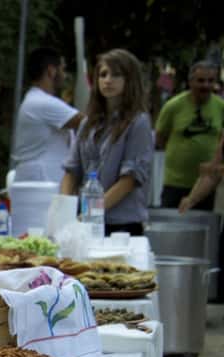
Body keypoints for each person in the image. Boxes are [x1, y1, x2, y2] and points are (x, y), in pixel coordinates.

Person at [60, 49, 154, 236]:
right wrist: (63, 211)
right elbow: (72, 170)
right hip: (85, 219)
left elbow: (130, 179)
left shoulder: (139, 122)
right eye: (103, 75)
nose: (108, 80)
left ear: (130, 79)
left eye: (116, 75)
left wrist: (93, 211)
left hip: (121, 224)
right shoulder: (89, 122)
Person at [156, 60, 224, 210]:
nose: (205, 85)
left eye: (210, 81)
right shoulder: (173, 106)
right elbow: (161, 137)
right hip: (175, 182)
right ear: (191, 81)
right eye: (200, 80)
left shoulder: (221, 107)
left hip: (209, 185)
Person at [11, 47, 84, 183]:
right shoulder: (42, 102)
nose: (65, 75)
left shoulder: (36, 100)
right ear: (51, 71)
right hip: (42, 183)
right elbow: (88, 121)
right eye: (63, 69)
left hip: (44, 181)